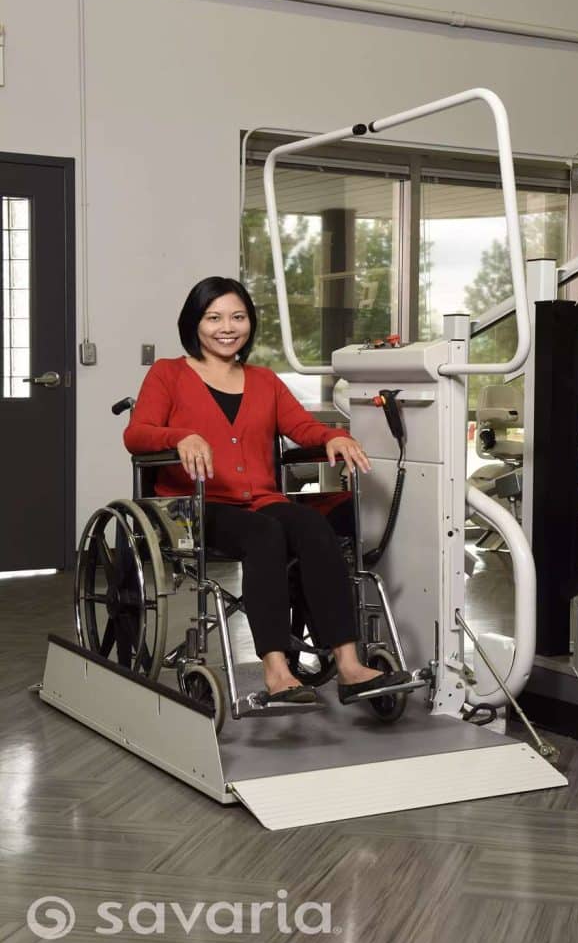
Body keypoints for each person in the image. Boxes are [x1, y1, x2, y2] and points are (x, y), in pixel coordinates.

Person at [124, 276, 409, 706]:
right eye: (214, 317)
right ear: (194, 324)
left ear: (250, 323)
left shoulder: (263, 380)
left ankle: (349, 666)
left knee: (312, 527)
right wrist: (180, 436)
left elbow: (300, 426)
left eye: (237, 317)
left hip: (261, 501)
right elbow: (137, 434)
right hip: (198, 508)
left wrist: (330, 437)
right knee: (264, 534)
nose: (227, 327)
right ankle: (277, 673)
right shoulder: (168, 374)